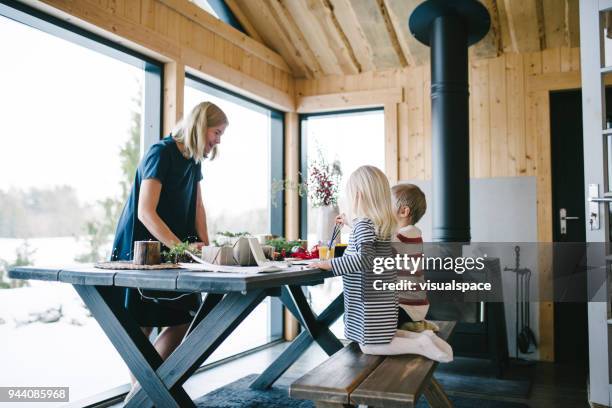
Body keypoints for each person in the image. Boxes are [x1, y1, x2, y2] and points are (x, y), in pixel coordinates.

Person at [110, 101, 228, 398]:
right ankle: (145, 397)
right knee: (140, 327)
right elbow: (145, 212)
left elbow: (198, 206)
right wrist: (184, 249)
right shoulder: (161, 152)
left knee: (185, 318)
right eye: (217, 132)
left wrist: (207, 249)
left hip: (177, 251)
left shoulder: (193, 160)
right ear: (201, 126)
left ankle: (142, 397)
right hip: (143, 250)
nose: (218, 140)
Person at [312, 166, 452, 362]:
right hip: (384, 300)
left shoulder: (370, 226)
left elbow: (364, 258)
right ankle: (423, 337)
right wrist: (351, 225)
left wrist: (330, 264)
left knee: (369, 346)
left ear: (358, 196)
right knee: (382, 336)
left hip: (376, 302)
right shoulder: (383, 228)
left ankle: (419, 344)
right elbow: (373, 244)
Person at [391, 183, 439, 333]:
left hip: (405, 307)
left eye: (387, 204)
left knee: (375, 321)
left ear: (404, 211)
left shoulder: (405, 235)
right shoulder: (411, 234)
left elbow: (377, 247)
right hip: (413, 307)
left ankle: (414, 328)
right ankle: (417, 325)